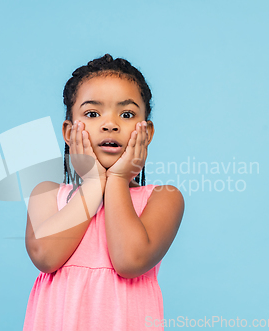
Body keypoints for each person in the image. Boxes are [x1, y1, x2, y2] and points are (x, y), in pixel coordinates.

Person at [22, 54, 185, 330]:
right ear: (68, 131)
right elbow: (46, 257)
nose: (110, 124)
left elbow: (129, 261)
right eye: (93, 114)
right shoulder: (47, 194)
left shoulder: (164, 198)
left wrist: (118, 179)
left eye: (127, 114)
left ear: (147, 133)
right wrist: (94, 183)